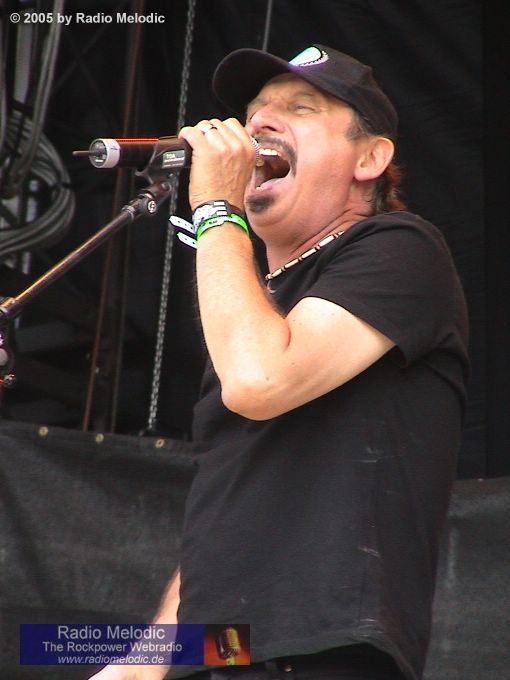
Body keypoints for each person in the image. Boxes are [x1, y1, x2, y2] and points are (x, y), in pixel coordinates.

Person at [89, 44, 469, 680]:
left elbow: (260, 381)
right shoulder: (257, 307)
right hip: (226, 653)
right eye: (254, 111)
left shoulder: (403, 249)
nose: (260, 122)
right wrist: (142, 664)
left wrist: (216, 209)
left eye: (300, 108)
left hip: (321, 650)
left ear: (369, 159)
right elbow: (234, 508)